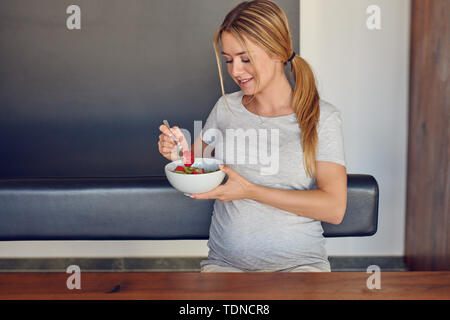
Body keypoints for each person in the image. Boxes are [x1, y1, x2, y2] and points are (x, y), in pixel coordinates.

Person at [158, 0, 347, 272]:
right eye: (229, 60)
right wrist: (178, 154)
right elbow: (195, 171)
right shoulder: (226, 108)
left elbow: (334, 208)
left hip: (301, 268)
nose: (235, 71)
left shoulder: (321, 117)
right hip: (225, 267)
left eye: (245, 59)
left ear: (278, 52)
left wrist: (251, 191)